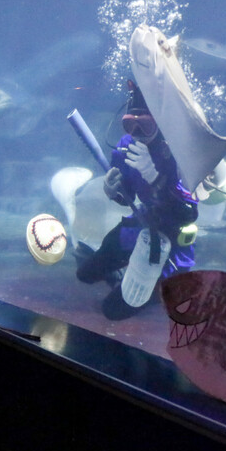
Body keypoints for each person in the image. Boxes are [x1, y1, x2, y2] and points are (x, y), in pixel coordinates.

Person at [76, 81, 198, 320]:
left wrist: (155, 177)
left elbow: (189, 213)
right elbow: (127, 195)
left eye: (145, 124)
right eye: (131, 124)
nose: (137, 132)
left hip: (169, 241)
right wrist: (115, 191)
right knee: (85, 275)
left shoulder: (180, 151)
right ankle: (122, 272)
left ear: (159, 120)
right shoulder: (125, 145)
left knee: (111, 311)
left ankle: (160, 288)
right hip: (139, 225)